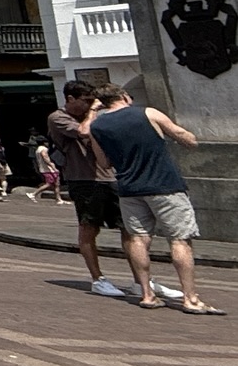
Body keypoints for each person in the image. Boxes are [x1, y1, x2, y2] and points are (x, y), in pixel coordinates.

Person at [88, 86, 223, 315]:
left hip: (129, 189)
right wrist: (193, 140)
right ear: (123, 96)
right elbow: (182, 136)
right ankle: (190, 298)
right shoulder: (147, 113)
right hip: (164, 185)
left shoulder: (97, 126)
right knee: (180, 240)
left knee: (138, 239)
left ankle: (147, 294)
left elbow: (104, 163)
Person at [48, 79, 124, 290]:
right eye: (86, 100)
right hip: (83, 179)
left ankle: (141, 280)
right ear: (70, 98)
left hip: (110, 177)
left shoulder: (94, 117)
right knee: (89, 227)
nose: (90, 105)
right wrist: (93, 112)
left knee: (128, 227)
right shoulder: (58, 117)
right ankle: (98, 279)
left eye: (92, 101)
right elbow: (82, 131)